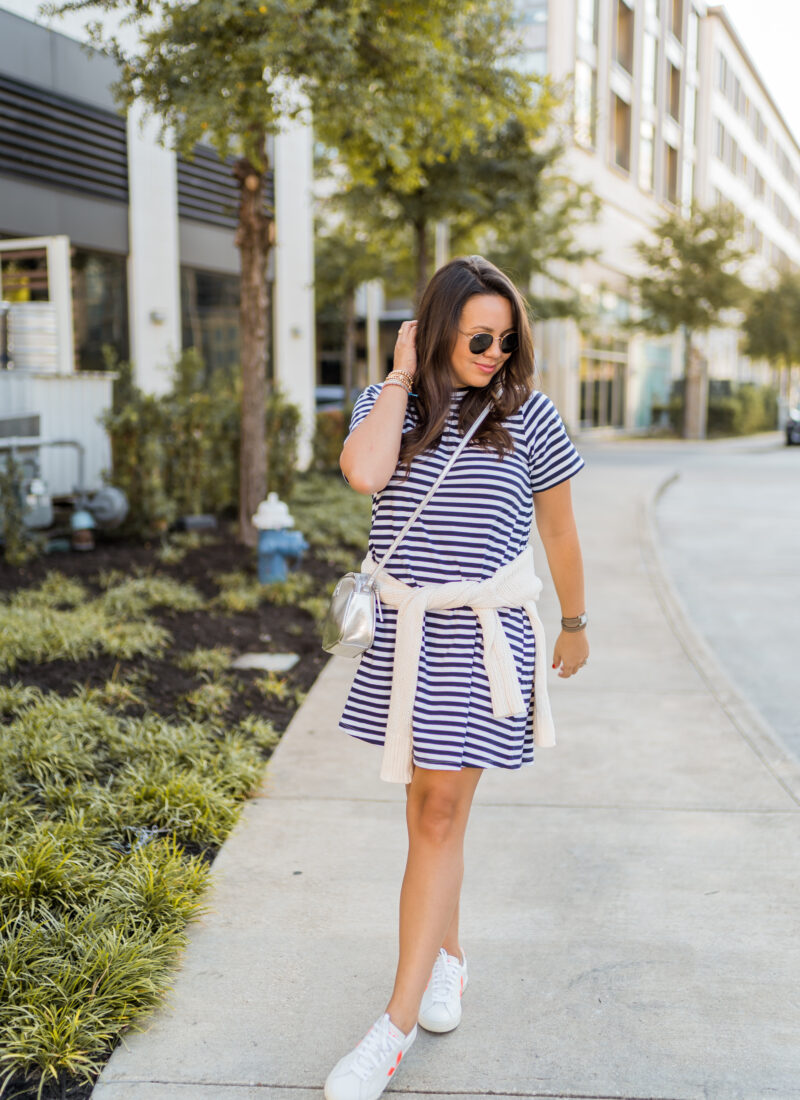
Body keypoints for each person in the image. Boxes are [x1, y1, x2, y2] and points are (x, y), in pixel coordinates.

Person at [325, 255, 588, 1100]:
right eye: (480, 336)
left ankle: (390, 1030)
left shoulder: (531, 415)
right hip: (405, 637)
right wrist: (401, 376)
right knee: (426, 814)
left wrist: (575, 623)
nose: (495, 353)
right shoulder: (389, 404)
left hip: (483, 641)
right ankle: (450, 960)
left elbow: (560, 532)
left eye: (508, 340)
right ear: (436, 329)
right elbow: (364, 474)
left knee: (438, 811)